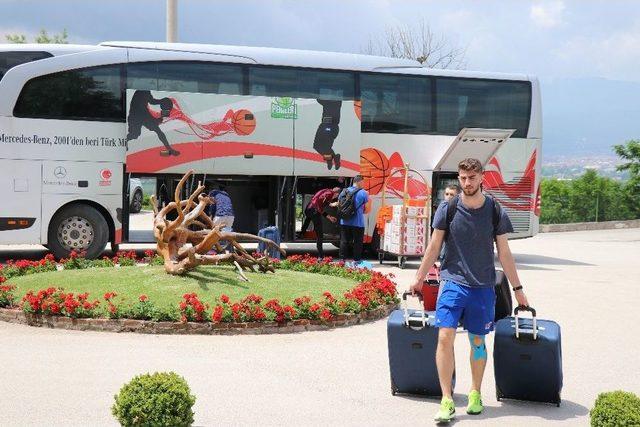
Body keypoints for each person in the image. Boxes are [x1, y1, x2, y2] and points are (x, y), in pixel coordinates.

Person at [409, 158, 530, 423]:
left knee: (477, 341)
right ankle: (447, 398)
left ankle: (475, 393)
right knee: (444, 337)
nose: (467, 183)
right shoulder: (448, 208)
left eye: (472, 178)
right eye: (463, 178)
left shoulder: (495, 210)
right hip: (451, 282)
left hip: (483, 287)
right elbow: (433, 246)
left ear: (482, 178)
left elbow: (505, 253)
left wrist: (518, 289)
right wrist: (419, 278)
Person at [126, 90, 180, 156]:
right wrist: (162, 102)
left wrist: (162, 101)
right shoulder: (140, 91)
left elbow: (151, 101)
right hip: (136, 116)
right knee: (135, 134)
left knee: (158, 131)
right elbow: (148, 104)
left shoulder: (146, 91)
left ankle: (169, 149)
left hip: (143, 115)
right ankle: (125, 141)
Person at [299, 187, 340, 258]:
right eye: (337, 196)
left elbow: (320, 206)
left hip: (309, 209)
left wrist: (329, 217)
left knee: (308, 220)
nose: (335, 198)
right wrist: (331, 205)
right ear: (336, 194)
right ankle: (321, 256)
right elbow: (319, 206)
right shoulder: (330, 194)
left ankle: (302, 233)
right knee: (320, 234)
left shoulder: (326, 190)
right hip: (314, 211)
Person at [339, 175, 369, 264]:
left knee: (344, 241)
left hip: (344, 221)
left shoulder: (344, 191)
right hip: (357, 222)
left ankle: (342, 260)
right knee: (357, 242)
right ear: (359, 181)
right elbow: (367, 210)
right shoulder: (363, 193)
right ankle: (356, 260)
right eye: (363, 182)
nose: (363, 184)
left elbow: (339, 204)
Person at [313, 99, 342, 170]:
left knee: (323, 146)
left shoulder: (333, 101)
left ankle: (331, 159)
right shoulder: (334, 101)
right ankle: (333, 158)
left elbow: (319, 99)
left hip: (330, 126)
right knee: (319, 146)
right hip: (326, 125)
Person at [437, 184, 460, 265]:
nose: (449, 196)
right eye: (447, 194)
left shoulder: (461, 208)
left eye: (452, 194)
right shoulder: (442, 207)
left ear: (458, 196)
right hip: (446, 241)